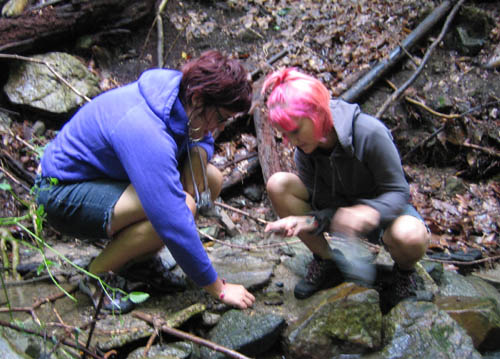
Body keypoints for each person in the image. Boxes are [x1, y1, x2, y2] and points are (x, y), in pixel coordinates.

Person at [34, 50, 255, 313]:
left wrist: (198, 155)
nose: (219, 127)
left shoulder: (180, 93)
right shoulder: (146, 129)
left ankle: (137, 263)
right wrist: (217, 288)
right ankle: (96, 276)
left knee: (211, 179)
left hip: (105, 178)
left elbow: (201, 136)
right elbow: (172, 219)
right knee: (182, 207)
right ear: (198, 98)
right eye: (220, 118)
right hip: (61, 193)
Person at [261, 68, 429, 307]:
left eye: (295, 131)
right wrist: (303, 222)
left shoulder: (369, 132)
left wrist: (367, 212)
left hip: (386, 215)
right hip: (341, 217)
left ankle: (404, 275)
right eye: (285, 135)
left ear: (317, 113)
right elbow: (325, 208)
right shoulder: (305, 152)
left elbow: (399, 193)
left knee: (409, 236)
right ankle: (327, 260)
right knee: (278, 184)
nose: (292, 142)